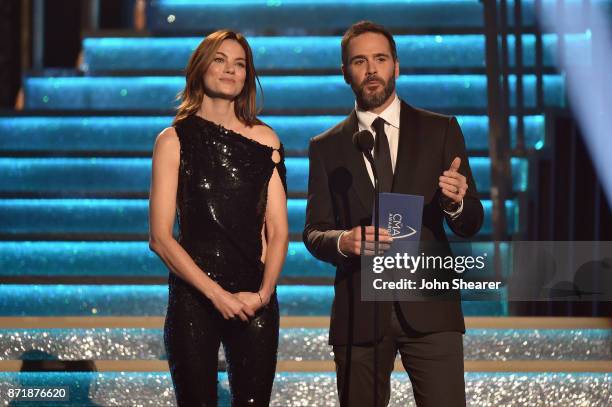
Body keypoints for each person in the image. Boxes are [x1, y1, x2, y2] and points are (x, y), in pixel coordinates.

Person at [303, 21, 484, 407]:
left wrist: (455, 203)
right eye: (360, 61)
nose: (371, 70)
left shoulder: (441, 130)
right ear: (345, 72)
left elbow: (471, 222)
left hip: (430, 309)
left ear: (396, 66)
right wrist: (344, 241)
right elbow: (314, 232)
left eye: (381, 59)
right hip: (360, 312)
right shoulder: (326, 146)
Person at [148, 29, 289, 406]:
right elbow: (160, 238)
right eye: (220, 60)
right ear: (200, 68)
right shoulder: (172, 140)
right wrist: (217, 295)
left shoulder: (267, 139)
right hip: (195, 296)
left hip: (255, 296)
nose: (231, 70)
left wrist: (263, 293)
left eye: (240, 64)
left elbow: (277, 232)